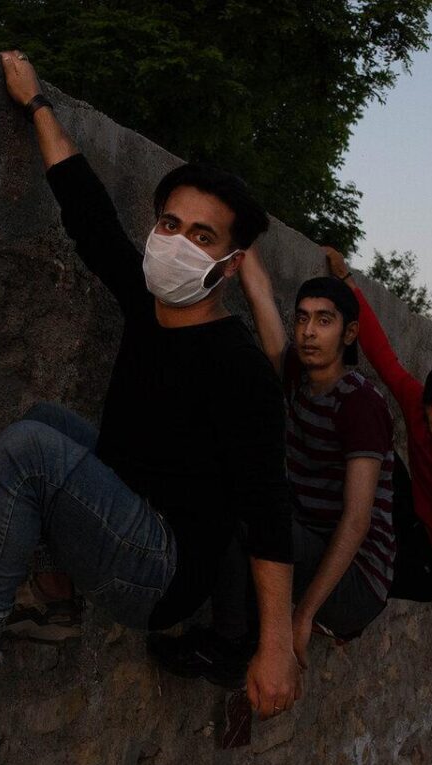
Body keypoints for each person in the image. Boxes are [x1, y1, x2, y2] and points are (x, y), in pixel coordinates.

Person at [0, 50, 302, 719]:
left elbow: (268, 514)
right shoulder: (152, 303)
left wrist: (275, 649)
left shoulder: (239, 366)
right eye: (170, 224)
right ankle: (57, 595)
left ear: (230, 266)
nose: (176, 243)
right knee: (45, 418)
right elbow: (89, 215)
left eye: (201, 237)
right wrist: (36, 104)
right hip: (137, 507)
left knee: (27, 450)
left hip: (165, 570)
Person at [148, 249, 396, 687]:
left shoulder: (360, 404)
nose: (308, 332)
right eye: (302, 319)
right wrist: (238, 241)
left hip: (357, 581)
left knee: (243, 510)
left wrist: (300, 619)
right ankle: (238, 630)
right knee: (236, 486)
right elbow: (261, 294)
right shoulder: (298, 378)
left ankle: (230, 647)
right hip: (306, 543)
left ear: (350, 332)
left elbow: (357, 521)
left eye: (324, 320)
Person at [323, 246, 432, 667]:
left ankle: (349, 621)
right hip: (415, 516)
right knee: (376, 454)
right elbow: (383, 357)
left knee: (372, 574)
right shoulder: (417, 405)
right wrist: (348, 284)